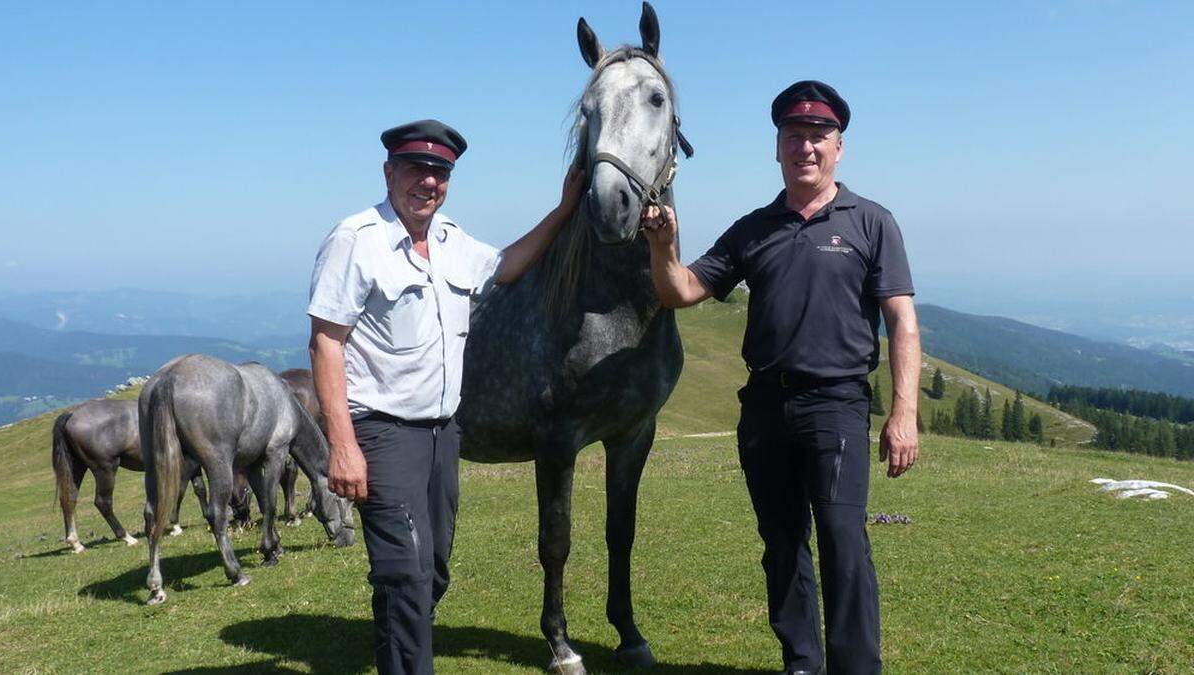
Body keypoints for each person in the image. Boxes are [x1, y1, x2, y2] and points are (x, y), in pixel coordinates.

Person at [640, 81, 920, 674]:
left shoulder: (872, 222)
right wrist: (664, 248)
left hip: (838, 403)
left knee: (845, 541)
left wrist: (904, 413)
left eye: (819, 137)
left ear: (839, 148)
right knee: (783, 544)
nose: (806, 147)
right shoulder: (753, 228)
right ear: (777, 148)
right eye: (794, 136)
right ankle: (801, 662)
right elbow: (682, 290)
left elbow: (901, 322)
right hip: (765, 407)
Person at [306, 119, 584, 675]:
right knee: (406, 573)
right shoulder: (355, 240)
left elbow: (506, 266)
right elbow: (325, 341)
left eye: (440, 173)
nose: (428, 182)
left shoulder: (452, 241)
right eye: (416, 170)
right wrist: (342, 444)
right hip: (382, 431)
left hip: (442, 434)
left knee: (430, 570)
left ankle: (397, 643)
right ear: (389, 172)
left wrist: (562, 210)